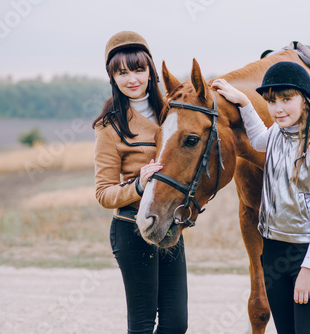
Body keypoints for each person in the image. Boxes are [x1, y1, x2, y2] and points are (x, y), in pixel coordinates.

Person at [212, 61, 310, 334]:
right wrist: (244, 103)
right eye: (272, 101)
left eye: (287, 99)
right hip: (272, 250)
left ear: (305, 100)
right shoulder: (276, 133)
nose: (278, 108)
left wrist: (309, 270)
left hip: (308, 253)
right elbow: (259, 139)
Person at [92, 31, 188, 334]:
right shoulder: (110, 126)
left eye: (138, 69)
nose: (131, 78)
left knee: (176, 323)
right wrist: (138, 185)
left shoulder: (171, 114)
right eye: (122, 72)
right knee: (143, 324)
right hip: (131, 227)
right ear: (113, 77)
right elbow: (103, 193)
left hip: (169, 227)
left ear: (150, 72)